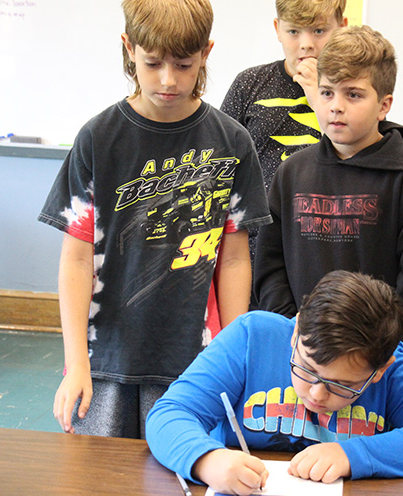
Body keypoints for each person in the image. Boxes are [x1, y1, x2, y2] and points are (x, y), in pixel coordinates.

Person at [37, 0, 271, 439]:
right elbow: (76, 259)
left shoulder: (232, 141)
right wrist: (77, 363)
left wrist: (232, 358)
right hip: (106, 357)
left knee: (183, 485)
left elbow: (236, 259)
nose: (168, 79)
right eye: (152, 62)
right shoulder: (98, 138)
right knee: (101, 486)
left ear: (206, 52)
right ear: (129, 48)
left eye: (184, 64)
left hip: (195, 358)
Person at [146, 271, 403, 496]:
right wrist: (207, 460)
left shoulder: (391, 368)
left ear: (379, 370)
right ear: (296, 334)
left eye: (342, 385)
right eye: (306, 369)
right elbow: (170, 414)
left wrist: (354, 454)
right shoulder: (252, 337)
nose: (316, 393)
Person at [254, 25, 403, 369]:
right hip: (303, 358)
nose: (336, 107)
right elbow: (270, 268)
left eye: (354, 95)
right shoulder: (291, 174)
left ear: (384, 105)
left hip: (382, 366)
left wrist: (382, 356)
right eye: (327, 92)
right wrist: (296, 335)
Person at [220, 0, 348, 273]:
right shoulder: (250, 84)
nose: (306, 44)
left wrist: (319, 96)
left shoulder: (352, 92)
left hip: (323, 243)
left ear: (342, 28)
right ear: (277, 29)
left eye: (319, 31)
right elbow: (221, 162)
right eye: (294, 32)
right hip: (254, 245)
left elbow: (352, 157)